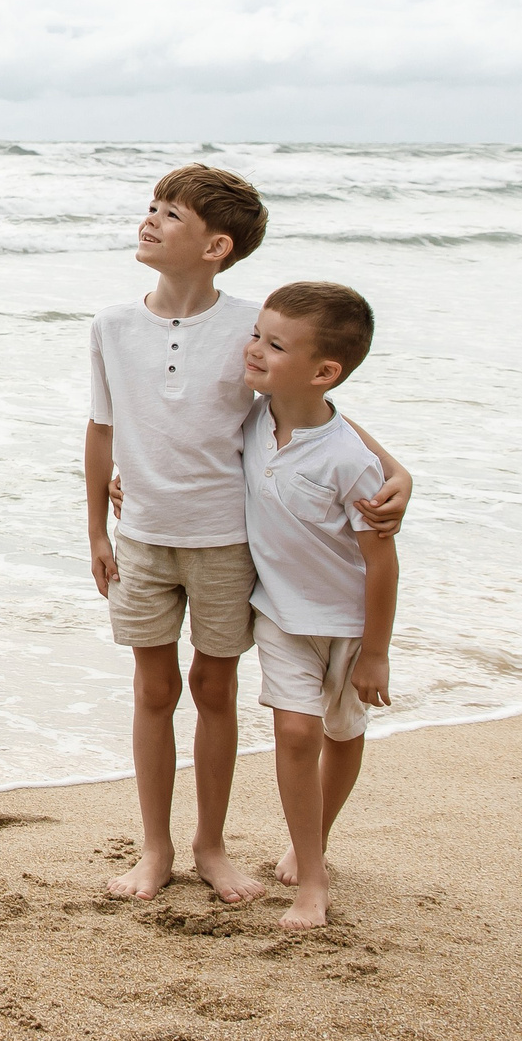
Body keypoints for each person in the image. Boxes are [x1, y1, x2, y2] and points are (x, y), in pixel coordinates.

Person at [85, 165, 412, 905]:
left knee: (214, 687)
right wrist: (96, 530)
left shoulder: (247, 326)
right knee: (153, 687)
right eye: (152, 206)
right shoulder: (111, 325)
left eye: (170, 212)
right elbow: (101, 429)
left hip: (227, 540)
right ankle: (155, 847)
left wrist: (398, 469)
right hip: (140, 535)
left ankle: (210, 846)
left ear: (216, 245)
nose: (150, 219)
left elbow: (307, 406)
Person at [238, 282, 399, 931]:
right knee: (296, 731)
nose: (252, 348)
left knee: (342, 731)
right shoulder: (247, 419)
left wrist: (377, 653)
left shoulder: (349, 460)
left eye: (273, 344)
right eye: (255, 332)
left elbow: (381, 560)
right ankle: (312, 876)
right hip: (280, 614)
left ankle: (317, 836)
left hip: (349, 624)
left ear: (324, 371)